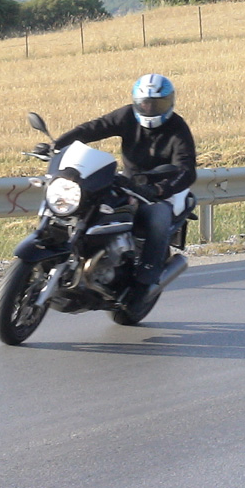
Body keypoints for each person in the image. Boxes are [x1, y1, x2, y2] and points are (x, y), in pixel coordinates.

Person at [50, 73, 197, 311]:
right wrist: (58, 144)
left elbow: (186, 170)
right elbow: (94, 128)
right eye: (145, 103)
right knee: (90, 203)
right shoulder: (127, 115)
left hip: (162, 189)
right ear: (136, 102)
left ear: (169, 103)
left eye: (157, 103)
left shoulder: (178, 128)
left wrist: (160, 188)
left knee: (157, 217)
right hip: (129, 182)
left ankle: (145, 280)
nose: (150, 108)